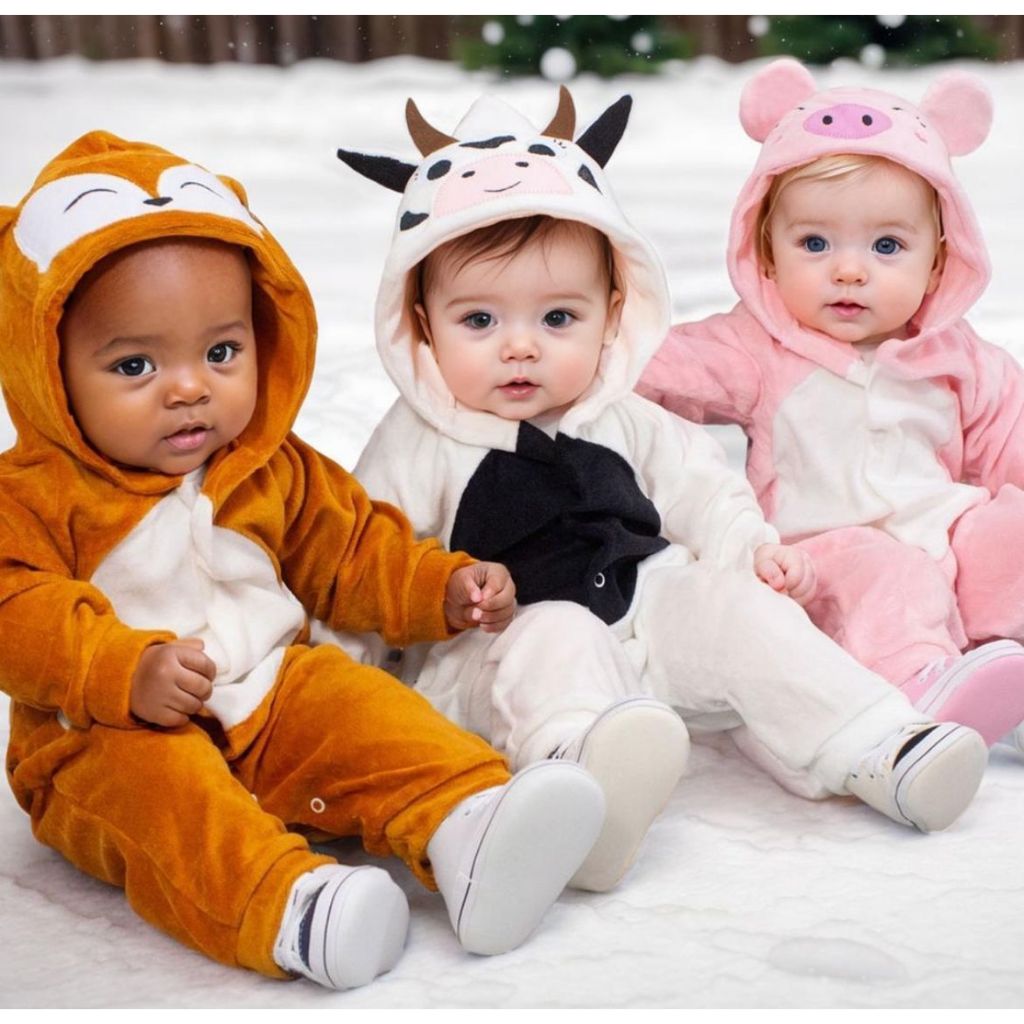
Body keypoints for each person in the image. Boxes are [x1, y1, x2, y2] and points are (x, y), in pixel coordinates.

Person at [336, 87, 990, 894]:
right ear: (420, 322)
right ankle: (581, 798)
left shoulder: (623, 413)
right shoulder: (416, 442)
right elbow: (356, 566)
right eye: (479, 322)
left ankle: (874, 741)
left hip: (646, 614)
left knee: (732, 607)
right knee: (558, 637)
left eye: (558, 319)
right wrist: (348, 695)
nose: (520, 348)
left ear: (613, 314)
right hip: (503, 654)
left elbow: (703, 491)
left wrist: (749, 552)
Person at [0, 131, 608, 991]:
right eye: (135, 364)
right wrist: (115, 669)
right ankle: (290, 907)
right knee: (164, 796)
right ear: (45, 367)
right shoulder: (31, 496)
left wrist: (436, 584)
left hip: (270, 695)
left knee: (359, 704)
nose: (189, 388)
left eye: (221, 352)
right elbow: (12, 606)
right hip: (102, 733)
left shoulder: (268, 465)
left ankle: (470, 823)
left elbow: (351, 549)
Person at [637, 58, 1024, 752]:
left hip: (943, 536)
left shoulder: (959, 356)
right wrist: (584, 349)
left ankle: (1002, 672)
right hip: (821, 563)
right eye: (814, 243)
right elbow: (660, 367)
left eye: (887, 246)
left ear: (938, 261)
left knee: (1010, 534)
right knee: (890, 574)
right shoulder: (757, 348)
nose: (849, 270)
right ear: (767, 252)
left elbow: (1011, 441)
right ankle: (917, 694)